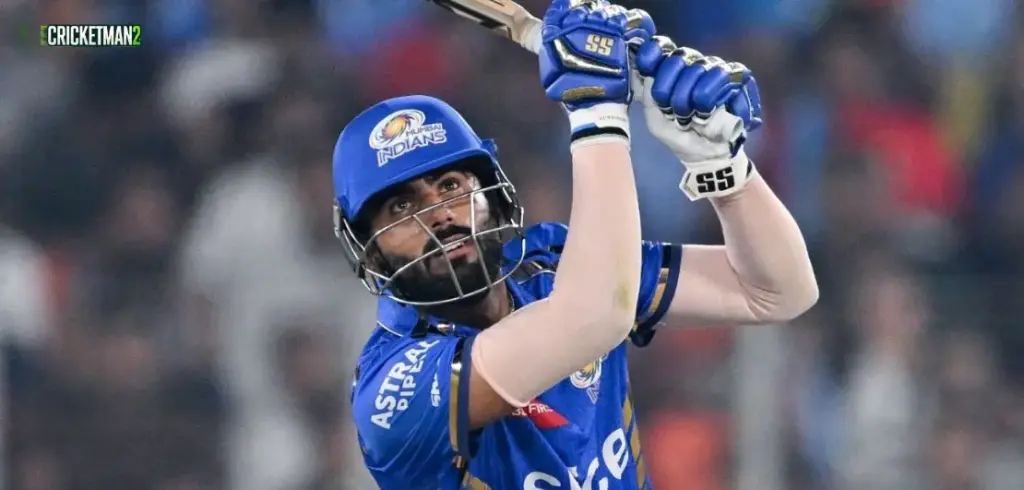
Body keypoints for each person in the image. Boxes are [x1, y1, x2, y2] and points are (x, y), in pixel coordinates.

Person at [332, 1, 818, 488]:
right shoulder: (394, 389)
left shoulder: (553, 265)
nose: (439, 215)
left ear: (494, 196)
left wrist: (721, 167)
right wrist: (596, 111)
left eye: (452, 186)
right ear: (371, 251)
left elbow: (775, 292)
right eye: (401, 207)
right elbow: (594, 318)